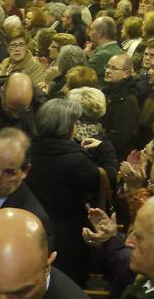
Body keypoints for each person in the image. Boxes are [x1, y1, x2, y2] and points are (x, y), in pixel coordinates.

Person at [24, 98, 102, 286]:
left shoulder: (26, 151)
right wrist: (104, 151)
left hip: (30, 230)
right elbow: (97, 187)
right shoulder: (79, 161)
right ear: (68, 126)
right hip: (68, 239)